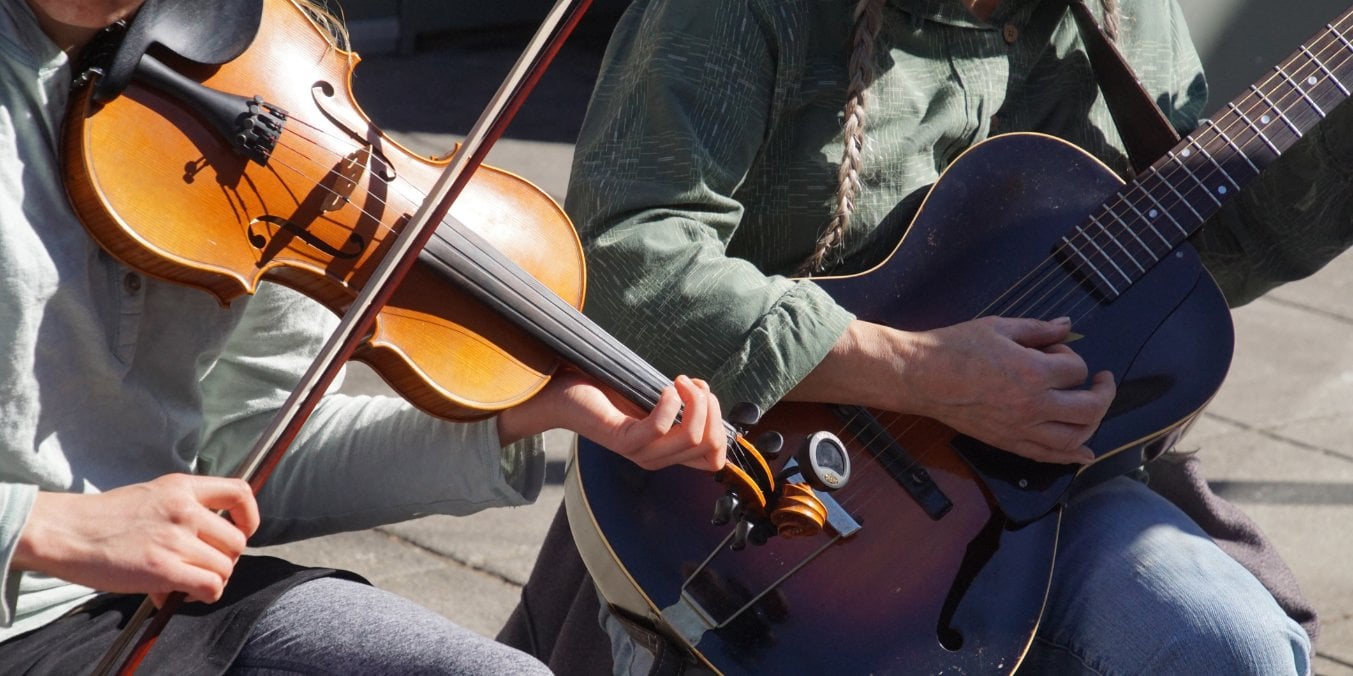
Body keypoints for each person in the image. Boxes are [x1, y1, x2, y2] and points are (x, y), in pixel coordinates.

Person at [499, 0, 1353, 673]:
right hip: (755, 481)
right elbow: (621, 260)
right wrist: (919, 373)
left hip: (1025, 500)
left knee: (1221, 641)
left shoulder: (1123, 13)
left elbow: (1186, 248)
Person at [0, 0, 729, 673]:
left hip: (149, 609)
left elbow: (255, 453)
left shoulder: (264, 60)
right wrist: (43, 524)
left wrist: (531, 412)